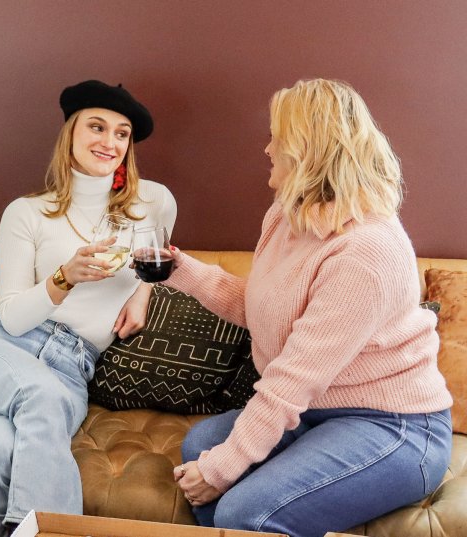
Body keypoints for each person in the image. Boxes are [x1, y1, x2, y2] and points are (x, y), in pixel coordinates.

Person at [168, 79, 452, 537]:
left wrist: (221, 470)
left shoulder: (365, 250)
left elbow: (292, 380)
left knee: (244, 512)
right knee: (200, 444)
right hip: (320, 411)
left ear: (307, 151)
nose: (266, 149)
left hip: (395, 427)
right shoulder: (286, 216)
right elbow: (263, 311)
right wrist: (177, 269)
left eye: (277, 140)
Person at [0, 79, 177, 537]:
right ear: (71, 133)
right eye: (97, 127)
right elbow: (12, 316)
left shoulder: (155, 202)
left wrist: (144, 292)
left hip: (72, 367)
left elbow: (161, 254)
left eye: (122, 133)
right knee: (39, 399)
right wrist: (65, 278)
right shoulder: (26, 213)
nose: (110, 142)